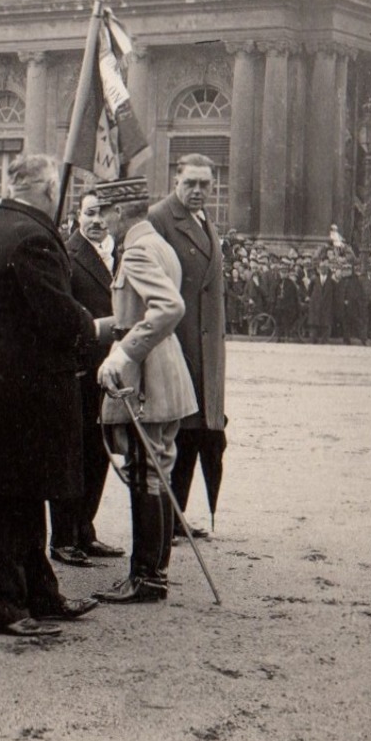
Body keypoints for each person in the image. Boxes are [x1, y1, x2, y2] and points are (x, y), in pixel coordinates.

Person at [0, 154, 99, 636]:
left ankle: (39, 593)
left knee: (21, 494)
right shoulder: (34, 237)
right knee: (12, 500)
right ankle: (3, 607)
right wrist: (95, 328)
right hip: (33, 387)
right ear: (44, 188)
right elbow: (58, 317)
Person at [93, 176, 199, 604]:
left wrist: (124, 354)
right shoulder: (158, 243)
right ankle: (153, 573)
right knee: (156, 472)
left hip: (147, 376)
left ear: (120, 212)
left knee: (144, 472)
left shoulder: (136, 250)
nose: (101, 220)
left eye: (104, 212)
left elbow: (169, 307)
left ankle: (146, 578)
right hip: (166, 371)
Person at [147, 153, 226, 538]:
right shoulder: (160, 219)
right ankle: (165, 518)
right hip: (178, 345)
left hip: (205, 350)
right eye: (190, 183)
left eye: (205, 184)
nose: (197, 191)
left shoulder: (204, 220)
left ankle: (176, 517)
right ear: (175, 181)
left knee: (195, 434)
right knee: (175, 433)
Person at [47, 189, 124, 567]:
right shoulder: (67, 253)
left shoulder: (120, 252)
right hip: (80, 368)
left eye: (104, 213)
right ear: (78, 215)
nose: (97, 220)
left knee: (99, 452)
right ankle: (63, 538)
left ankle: (84, 529)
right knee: (71, 454)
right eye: (90, 212)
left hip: (113, 369)